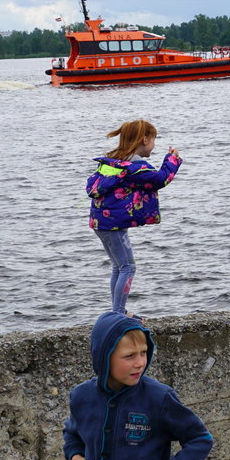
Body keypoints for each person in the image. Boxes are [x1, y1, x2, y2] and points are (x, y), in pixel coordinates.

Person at [63, 311, 214, 460]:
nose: (140, 363)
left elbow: (200, 439)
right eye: (129, 356)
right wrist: (75, 457)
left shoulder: (159, 398)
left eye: (143, 353)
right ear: (104, 357)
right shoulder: (82, 397)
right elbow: (72, 433)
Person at [88, 119, 182, 315]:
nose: (154, 145)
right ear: (145, 139)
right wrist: (171, 160)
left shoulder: (115, 161)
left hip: (101, 222)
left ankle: (117, 311)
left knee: (119, 266)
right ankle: (119, 314)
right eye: (154, 140)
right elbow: (159, 179)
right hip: (111, 225)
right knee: (128, 267)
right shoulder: (135, 166)